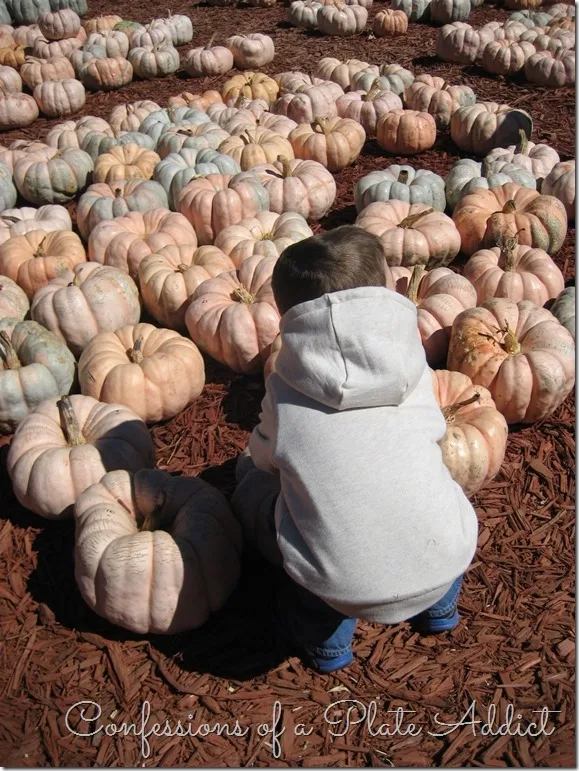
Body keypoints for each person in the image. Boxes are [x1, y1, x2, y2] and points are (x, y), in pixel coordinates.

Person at [231, 225, 478, 674]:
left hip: (340, 583)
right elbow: (434, 432)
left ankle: (329, 645)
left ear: (288, 315)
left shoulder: (284, 390)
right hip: (445, 553)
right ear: (384, 295)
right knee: (434, 510)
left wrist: (260, 467)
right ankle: (440, 610)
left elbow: (266, 456)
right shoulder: (415, 371)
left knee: (253, 486)